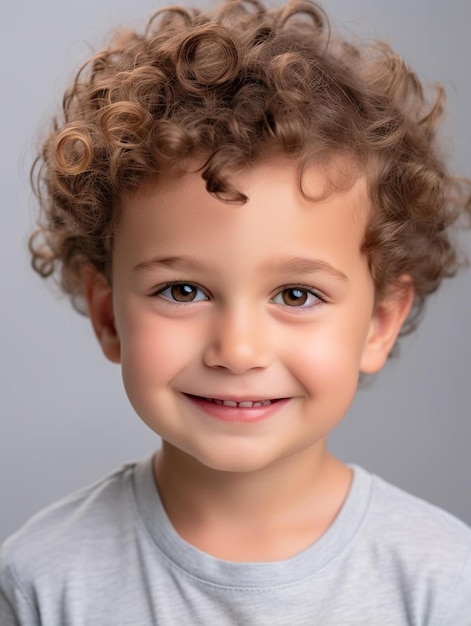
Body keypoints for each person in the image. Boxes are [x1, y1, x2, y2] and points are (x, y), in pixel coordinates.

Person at [1, 0, 470, 623]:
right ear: (108, 315)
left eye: (296, 295)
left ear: (379, 323)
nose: (239, 350)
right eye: (183, 291)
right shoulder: (42, 581)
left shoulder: (446, 583)